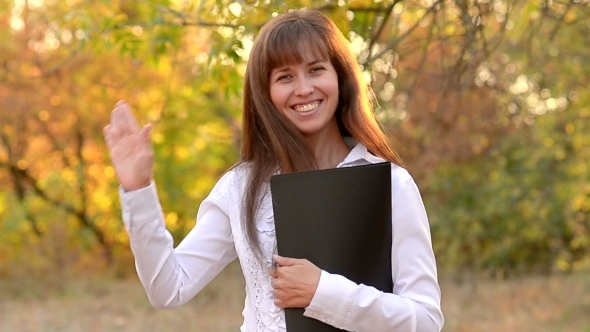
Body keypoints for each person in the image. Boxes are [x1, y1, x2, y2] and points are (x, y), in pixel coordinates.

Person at [103, 9, 444, 332]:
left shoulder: (390, 184)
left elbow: (426, 320)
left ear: (339, 77)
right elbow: (168, 288)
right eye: (285, 77)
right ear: (265, 93)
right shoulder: (240, 188)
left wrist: (323, 292)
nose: (303, 89)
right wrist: (138, 190)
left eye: (316, 69)